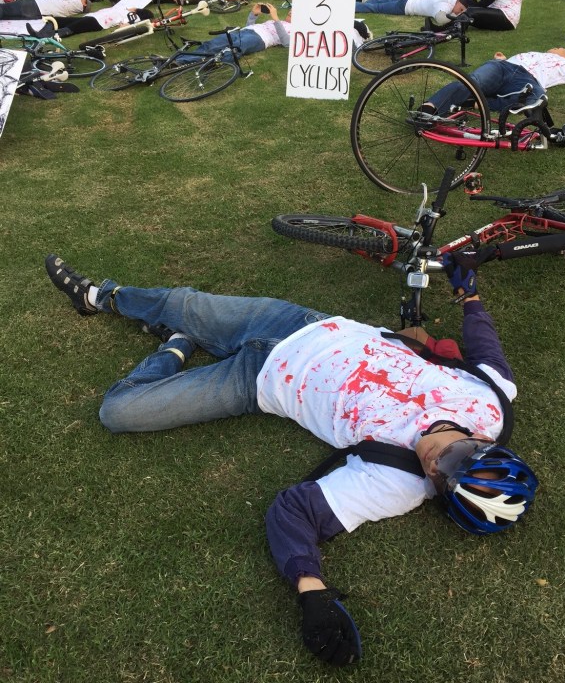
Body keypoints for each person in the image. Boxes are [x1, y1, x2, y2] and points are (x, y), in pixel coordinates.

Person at [45, 251, 538, 667]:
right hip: (305, 326)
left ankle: (174, 348)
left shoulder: (398, 482)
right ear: (482, 440)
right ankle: (99, 297)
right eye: (456, 457)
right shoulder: (492, 399)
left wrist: (313, 593)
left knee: (120, 412)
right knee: (183, 302)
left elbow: (293, 510)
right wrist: (469, 296)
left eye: (441, 481)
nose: (435, 463)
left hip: (260, 382)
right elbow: (485, 347)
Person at [423, 47, 565, 117]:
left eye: (560, 48)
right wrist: (501, 60)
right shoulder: (537, 54)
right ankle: (430, 108)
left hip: (527, 80)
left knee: (536, 98)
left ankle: (473, 103)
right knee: (472, 81)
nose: (556, 48)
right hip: (504, 67)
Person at [25, 0, 162, 38]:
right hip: (95, 17)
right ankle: (43, 29)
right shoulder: (126, 10)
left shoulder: (132, 15)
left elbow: (126, 24)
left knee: (74, 27)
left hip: (99, 22)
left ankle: (50, 35)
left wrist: (128, 23)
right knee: (65, 21)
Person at [174, 2, 291, 63]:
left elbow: (287, 43)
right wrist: (253, 14)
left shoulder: (295, 30)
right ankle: (178, 61)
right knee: (213, 43)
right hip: (245, 31)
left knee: (234, 49)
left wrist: (275, 19)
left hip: (260, 39)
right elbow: (251, 27)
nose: (291, 11)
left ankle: (212, 64)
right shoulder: (277, 21)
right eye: (291, 10)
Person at [355, 0, 467, 26]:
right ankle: (351, 6)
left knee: (388, 1)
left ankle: (369, 0)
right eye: (460, 10)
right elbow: (441, 20)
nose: (458, 12)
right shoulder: (445, 6)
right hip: (408, 5)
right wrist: (455, 17)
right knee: (377, 9)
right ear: (459, 2)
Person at [0, 0, 90, 21]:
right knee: (6, 16)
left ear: (84, 3)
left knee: (4, 9)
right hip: (38, 16)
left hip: (35, 5)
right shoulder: (75, 11)